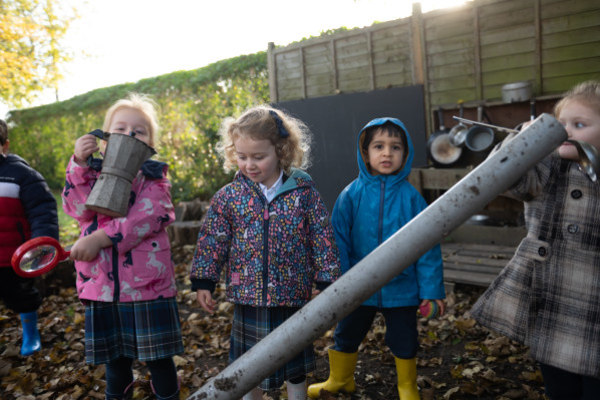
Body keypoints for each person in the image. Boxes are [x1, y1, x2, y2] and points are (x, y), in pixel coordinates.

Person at [190, 105, 341, 400]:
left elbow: (321, 236)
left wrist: (326, 279)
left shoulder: (303, 192)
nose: (249, 164)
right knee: (249, 365)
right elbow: (213, 239)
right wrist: (204, 281)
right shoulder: (230, 197)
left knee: (294, 361)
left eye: (259, 157)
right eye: (242, 156)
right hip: (249, 297)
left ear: (281, 151)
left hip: (292, 294)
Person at [471, 80, 600, 400]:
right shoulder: (545, 167)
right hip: (554, 306)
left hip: (594, 309)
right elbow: (503, 178)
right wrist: (521, 142)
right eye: (560, 125)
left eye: (579, 124)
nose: (565, 131)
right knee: (560, 386)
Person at [307, 118, 446, 400]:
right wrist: (340, 282)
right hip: (358, 287)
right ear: (365, 153)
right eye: (378, 146)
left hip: (402, 287)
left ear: (405, 155)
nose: (386, 153)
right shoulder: (351, 195)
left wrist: (431, 291)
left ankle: (407, 385)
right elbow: (338, 240)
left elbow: (427, 247)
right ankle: (340, 379)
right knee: (346, 333)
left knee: (404, 338)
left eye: (395, 147)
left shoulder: (412, 199)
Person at [62, 93, 183, 400]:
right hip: (101, 287)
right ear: (102, 138)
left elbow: (148, 217)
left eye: (139, 131)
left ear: (150, 144)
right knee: (116, 364)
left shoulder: (154, 178)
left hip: (147, 288)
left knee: (159, 360)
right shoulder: (90, 175)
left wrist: (100, 239)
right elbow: (77, 208)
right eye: (120, 128)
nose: (129, 134)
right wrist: (78, 164)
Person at [0, 118, 59, 356]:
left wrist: (42, 244)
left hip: (13, 255)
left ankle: (30, 333)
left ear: (4, 145)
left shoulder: (20, 174)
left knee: (20, 295)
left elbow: (42, 210)